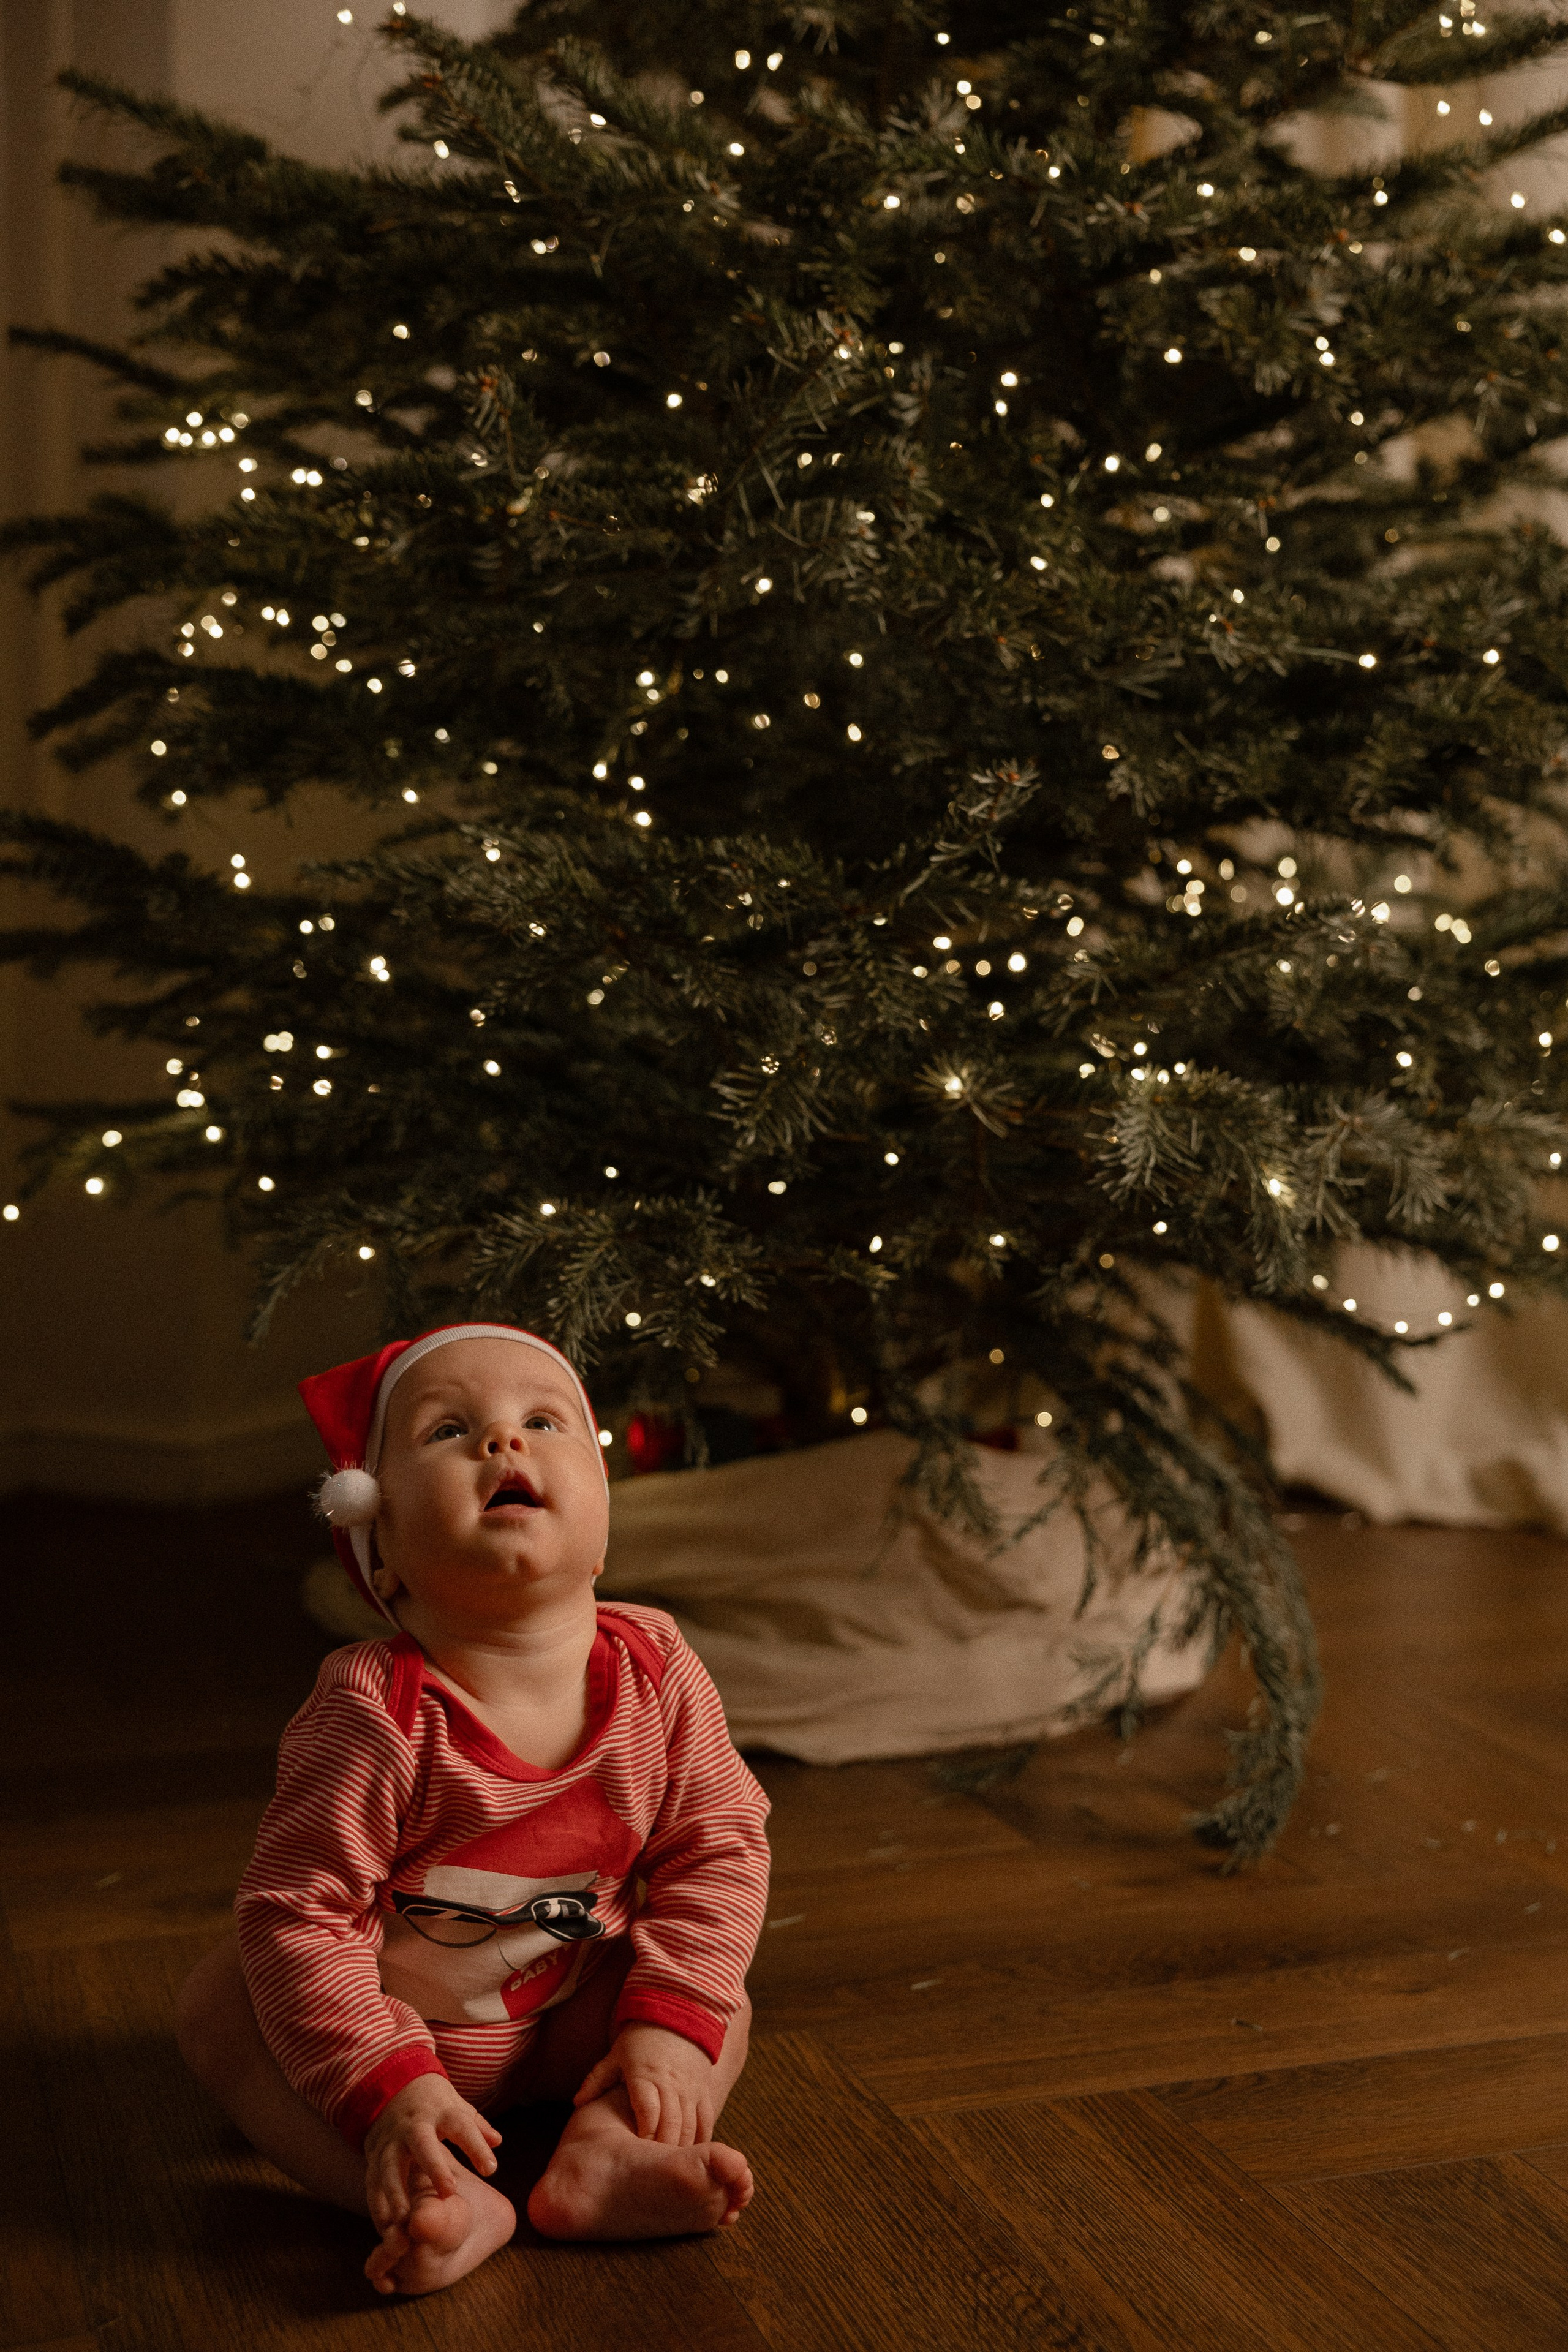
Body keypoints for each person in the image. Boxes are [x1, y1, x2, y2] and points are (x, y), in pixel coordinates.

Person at [176, 1321, 771, 2297]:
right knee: (220, 2010)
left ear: (604, 1523)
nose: (505, 1443)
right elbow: (301, 1913)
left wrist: (666, 2024)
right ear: (386, 1550)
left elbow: (721, 1852)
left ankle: (607, 2149)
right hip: (401, 2029)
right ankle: (424, 2189)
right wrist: (389, 2083)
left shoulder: (658, 1666)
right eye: (449, 1431)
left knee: (719, 1996)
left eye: (543, 1420)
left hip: (580, 2011)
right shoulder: (374, 1707)